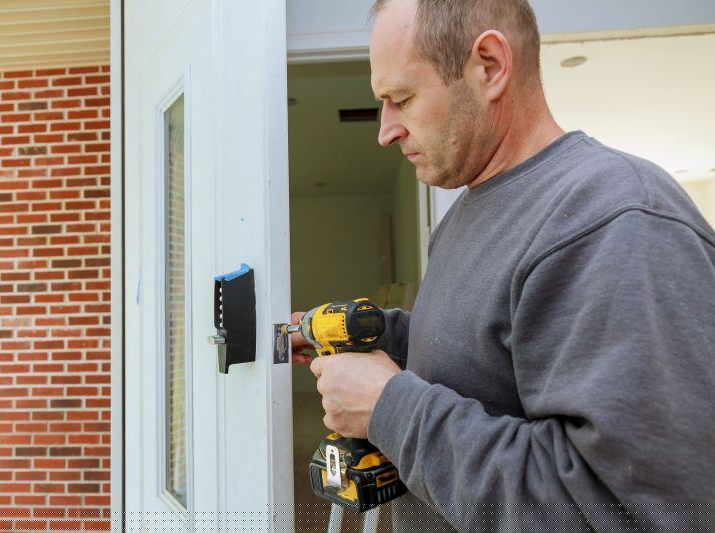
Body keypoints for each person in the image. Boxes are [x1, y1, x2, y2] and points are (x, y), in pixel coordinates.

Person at [290, 0, 715, 531]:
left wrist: (389, 408)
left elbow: (629, 512)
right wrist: (382, 339)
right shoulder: (465, 213)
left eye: (401, 98)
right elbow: (489, 358)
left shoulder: (613, 217)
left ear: (489, 66)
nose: (385, 130)